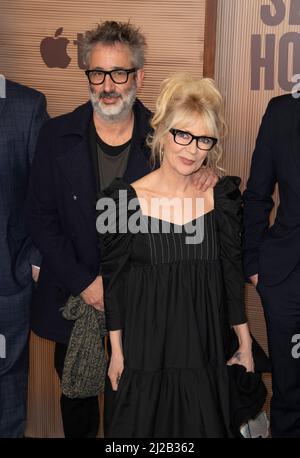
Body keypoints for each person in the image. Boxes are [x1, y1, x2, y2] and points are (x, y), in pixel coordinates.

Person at [25, 21, 216, 438]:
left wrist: (207, 175)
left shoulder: (165, 139)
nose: (108, 85)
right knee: (77, 406)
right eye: (98, 73)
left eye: (120, 73)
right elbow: (40, 219)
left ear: (139, 77)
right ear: (88, 76)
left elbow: (192, 174)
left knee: (132, 412)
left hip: (144, 308)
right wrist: (86, 284)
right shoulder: (56, 136)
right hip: (74, 300)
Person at [98, 73, 254, 438]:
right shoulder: (122, 202)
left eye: (203, 139)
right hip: (145, 352)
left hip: (204, 348)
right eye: (182, 134)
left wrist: (244, 341)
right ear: (161, 131)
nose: (191, 149)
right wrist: (116, 351)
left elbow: (232, 276)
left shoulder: (222, 199)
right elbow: (114, 283)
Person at [243, 93, 300, 438]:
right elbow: (257, 195)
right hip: (286, 276)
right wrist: (254, 263)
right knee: (289, 393)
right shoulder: (282, 112)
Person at [0, 78, 48, 437]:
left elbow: (45, 193)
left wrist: (32, 259)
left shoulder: (26, 106)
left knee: (7, 398)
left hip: (6, 284)